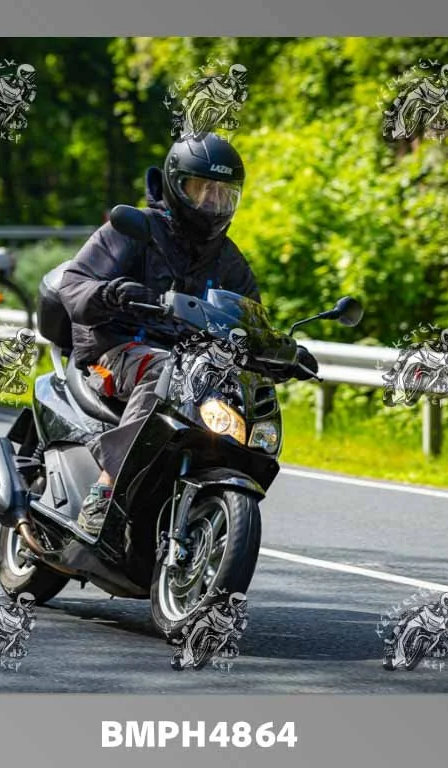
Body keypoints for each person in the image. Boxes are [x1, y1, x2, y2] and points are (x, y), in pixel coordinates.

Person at [57, 132, 318, 536]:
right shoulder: (134, 229)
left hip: (192, 362)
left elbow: (249, 322)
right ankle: (106, 490)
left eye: (224, 194)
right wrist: (112, 293)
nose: (213, 203)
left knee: (239, 391)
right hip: (118, 347)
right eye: (202, 189)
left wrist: (282, 354)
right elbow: (74, 283)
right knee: (165, 371)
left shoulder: (229, 259)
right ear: (177, 185)